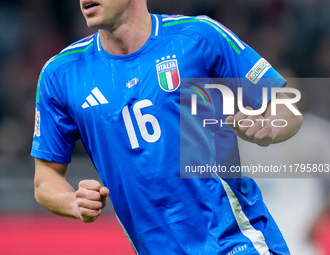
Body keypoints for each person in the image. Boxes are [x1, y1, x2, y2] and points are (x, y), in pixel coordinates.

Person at [32, 0, 303, 254]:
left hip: (236, 241)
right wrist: (74, 202)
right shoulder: (61, 75)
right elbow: (45, 179)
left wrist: (270, 127)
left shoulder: (197, 37)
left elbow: (285, 105)